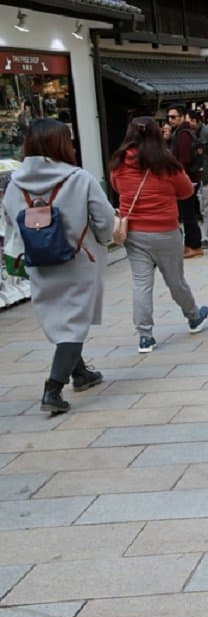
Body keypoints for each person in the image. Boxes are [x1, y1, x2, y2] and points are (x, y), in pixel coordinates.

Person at [1, 119, 114, 414]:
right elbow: (104, 221)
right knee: (74, 324)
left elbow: (12, 222)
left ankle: (81, 373)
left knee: (62, 319)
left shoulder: (15, 184)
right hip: (79, 261)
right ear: (60, 144)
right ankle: (53, 389)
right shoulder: (79, 178)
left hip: (39, 262)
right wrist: (102, 239)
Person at [110, 116, 208, 354]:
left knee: (141, 283)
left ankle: (145, 336)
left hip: (133, 232)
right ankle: (193, 317)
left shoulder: (119, 164)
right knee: (175, 279)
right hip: (165, 231)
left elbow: (116, 188)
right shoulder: (167, 163)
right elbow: (186, 191)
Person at [166, 103, 203, 258]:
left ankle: (193, 245)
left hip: (187, 178)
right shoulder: (185, 132)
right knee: (189, 213)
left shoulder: (183, 134)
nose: (171, 120)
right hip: (191, 178)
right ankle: (192, 244)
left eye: (173, 117)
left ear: (181, 117)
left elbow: (184, 159)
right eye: (169, 117)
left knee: (188, 214)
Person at [185, 110, 208, 249]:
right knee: (205, 208)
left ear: (195, 120)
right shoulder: (196, 134)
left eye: (189, 121)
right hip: (202, 175)